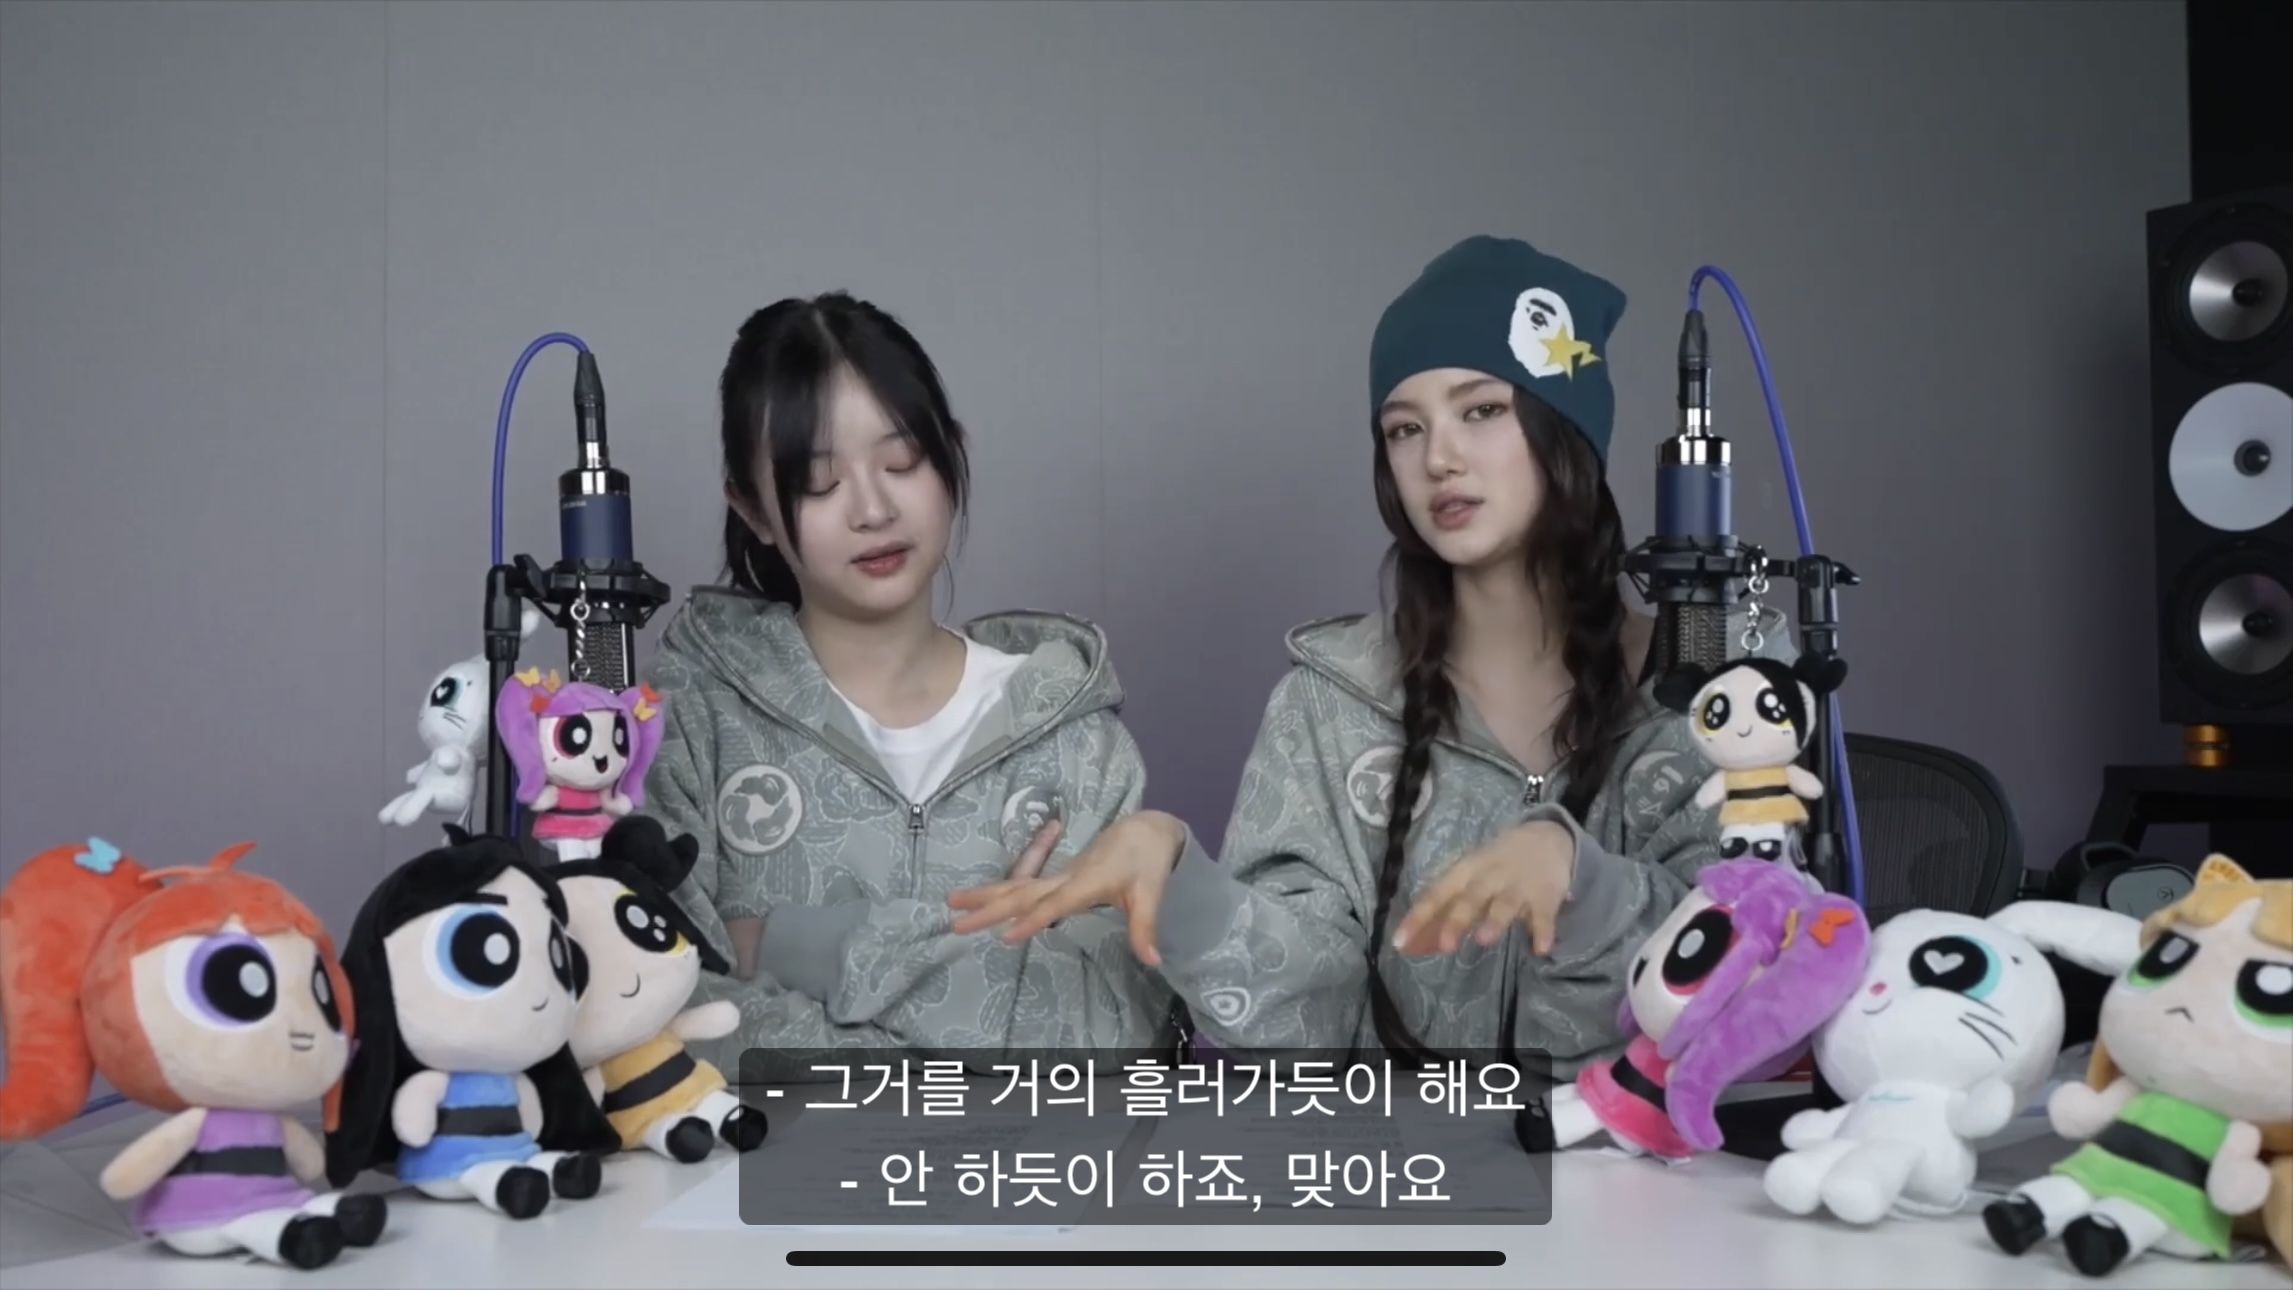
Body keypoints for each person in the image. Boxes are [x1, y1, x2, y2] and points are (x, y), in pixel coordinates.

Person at [950, 237, 1794, 1078]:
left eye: (1480, 411)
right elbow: (1306, 1027)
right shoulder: (1331, 704)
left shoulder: (1727, 691)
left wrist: (1585, 884)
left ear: (1565, 427)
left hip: (1655, 1154)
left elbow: (1763, 975)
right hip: (1397, 1155)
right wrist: (1182, 890)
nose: (1438, 458)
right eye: (1403, 428)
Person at [643, 292, 1179, 1078]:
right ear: (752, 509)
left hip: (1029, 1163)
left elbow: (1120, 1026)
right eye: (818, 482)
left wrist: (789, 945)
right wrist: (996, 962)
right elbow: (656, 1016)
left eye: (901, 464)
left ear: (950, 457)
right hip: (764, 1167)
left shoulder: (1069, 731)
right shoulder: (686, 724)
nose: (872, 508)